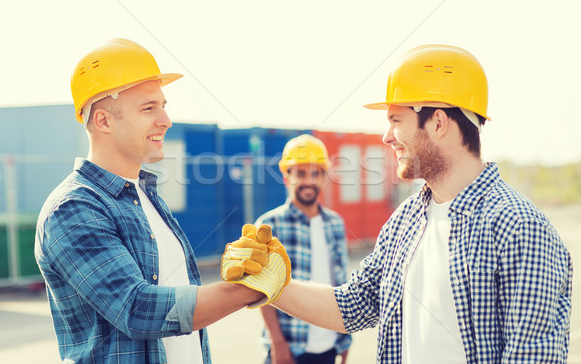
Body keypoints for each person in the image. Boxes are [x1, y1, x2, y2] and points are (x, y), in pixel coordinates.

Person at [224, 45, 573, 363]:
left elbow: (531, 357)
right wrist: (274, 283)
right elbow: (353, 305)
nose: (386, 136)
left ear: (438, 122)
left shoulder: (520, 229)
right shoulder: (407, 219)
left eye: (396, 120)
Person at [35, 38, 269, 363]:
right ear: (103, 120)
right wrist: (253, 287)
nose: (166, 120)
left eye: (163, 104)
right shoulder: (74, 208)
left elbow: (177, 300)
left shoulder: (144, 196)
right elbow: (138, 309)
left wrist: (236, 275)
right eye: (149, 108)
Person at [255, 135, 352, 364]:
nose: (309, 181)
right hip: (288, 349)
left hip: (329, 347)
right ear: (286, 176)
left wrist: (345, 339)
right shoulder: (270, 226)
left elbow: (341, 283)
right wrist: (277, 342)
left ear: (324, 177)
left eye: (315, 173)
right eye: (300, 173)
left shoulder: (335, 224)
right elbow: (262, 289)